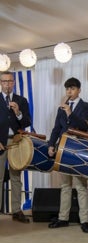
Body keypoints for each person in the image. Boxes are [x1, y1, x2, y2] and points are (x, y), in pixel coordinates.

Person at [48, 77, 88, 233]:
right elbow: (56, 129)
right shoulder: (62, 108)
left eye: (72, 89)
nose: (69, 92)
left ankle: (85, 220)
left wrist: (70, 113)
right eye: (67, 89)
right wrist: (51, 145)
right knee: (65, 185)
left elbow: (84, 127)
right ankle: (63, 218)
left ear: (79, 90)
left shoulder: (86, 106)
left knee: (81, 186)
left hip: (79, 149)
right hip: (63, 147)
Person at [0, 71, 32, 223]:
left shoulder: (22, 100)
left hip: (17, 142)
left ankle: (16, 210)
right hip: (0, 142)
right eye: (5, 81)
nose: (7, 84)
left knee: (16, 177)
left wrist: (18, 112)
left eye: (10, 81)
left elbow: (27, 122)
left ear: (14, 83)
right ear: (1, 83)